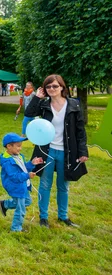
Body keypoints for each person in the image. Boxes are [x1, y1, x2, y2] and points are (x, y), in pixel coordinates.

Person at [25, 74, 88, 228]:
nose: (52, 89)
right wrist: (37, 98)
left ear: (61, 87)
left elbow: (80, 130)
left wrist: (83, 151)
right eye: (48, 86)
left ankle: (63, 216)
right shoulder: (44, 104)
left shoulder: (73, 105)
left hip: (67, 152)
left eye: (55, 86)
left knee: (63, 185)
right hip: (47, 150)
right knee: (45, 185)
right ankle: (44, 218)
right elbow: (28, 113)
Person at [0, 133, 43, 232]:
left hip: (22, 185)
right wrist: (27, 176)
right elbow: (14, 177)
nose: (20, 148)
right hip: (15, 186)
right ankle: (16, 229)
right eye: (18, 146)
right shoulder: (8, 162)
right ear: (9, 146)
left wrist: (32, 164)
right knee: (21, 209)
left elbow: (23, 168)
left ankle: (5, 204)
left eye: (21, 146)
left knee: (27, 201)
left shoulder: (18, 156)